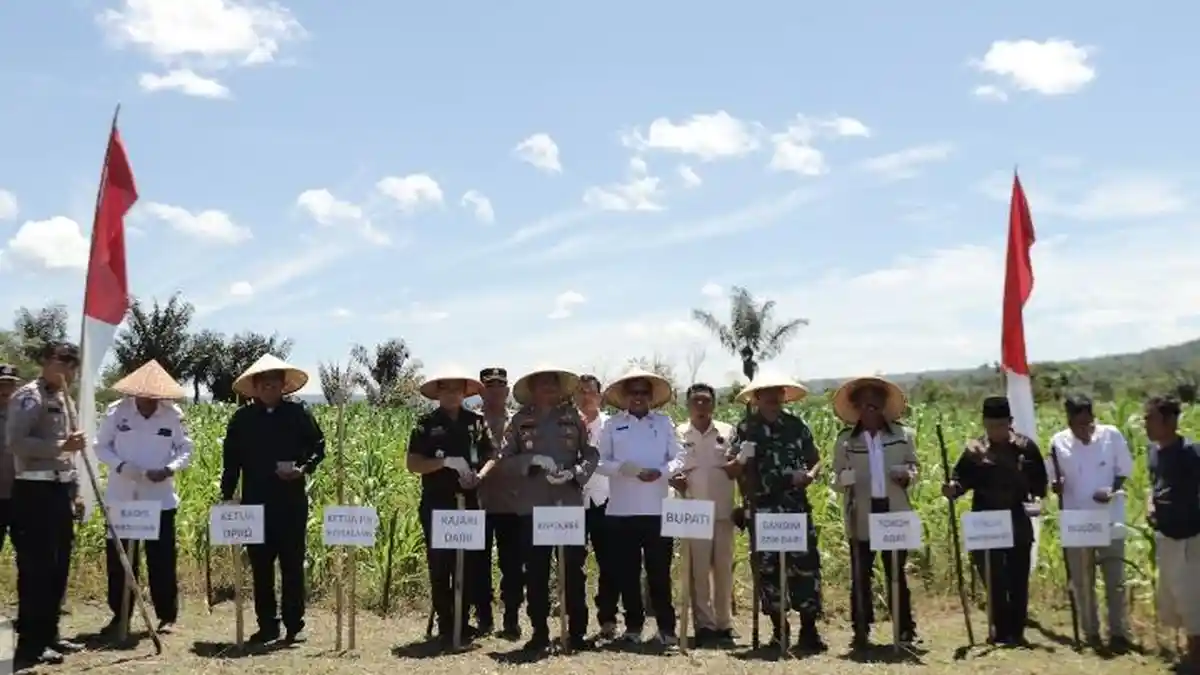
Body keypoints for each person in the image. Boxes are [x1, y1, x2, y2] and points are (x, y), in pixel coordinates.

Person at [479, 367, 597, 652]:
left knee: (573, 569)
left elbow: (591, 455)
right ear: (532, 389)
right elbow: (503, 459)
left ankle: (576, 632)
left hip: (568, 504)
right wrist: (530, 461)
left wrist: (576, 473)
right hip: (533, 506)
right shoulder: (520, 421)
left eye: (553, 383)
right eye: (543, 383)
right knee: (536, 571)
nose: (549, 388)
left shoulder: (574, 419)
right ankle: (540, 631)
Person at [219, 354, 325, 644]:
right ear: (255, 387)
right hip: (255, 501)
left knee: (292, 564)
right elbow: (230, 462)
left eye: (274, 383)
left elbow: (318, 445)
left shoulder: (298, 415)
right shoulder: (242, 420)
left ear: (283, 386)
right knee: (261, 567)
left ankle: (293, 624)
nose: (269, 388)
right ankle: (267, 624)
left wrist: (304, 469)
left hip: (291, 501)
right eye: (263, 384)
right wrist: (227, 496)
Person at [94, 359, 193, 636]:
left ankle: (167, 616)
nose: (148, 397)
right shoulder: (117, 413)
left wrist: (169, 469)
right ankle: (120, 615)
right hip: (122, 497)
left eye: (154, 392)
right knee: (120, 560)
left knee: (161, 559)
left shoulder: (172, 415)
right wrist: (122, 467)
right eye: (143, 391)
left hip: (159, 499)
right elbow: (100, 447)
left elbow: (185, 449)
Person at [942, 395, 1047, 647]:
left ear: (1010, 423)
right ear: (984, 424)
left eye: (1000, 426)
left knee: (1017, 577)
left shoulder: (1026, 448)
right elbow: (960, 481)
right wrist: (952, 489)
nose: (995, 431)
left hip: (1017, 519)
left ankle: (1016, 631)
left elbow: (1040, 484)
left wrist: (1038, 500)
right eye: (990, 426)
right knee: (994, 578)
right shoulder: (974, 450)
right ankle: (1000, 629)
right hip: (985, 522)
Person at [730, 373, 825, 651]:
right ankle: (778, 630)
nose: (772, 398)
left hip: (795, 508)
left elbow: (815, 459)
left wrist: (809, 475)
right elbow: (734, 469)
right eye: (766, 393)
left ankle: (809, 630)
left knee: (805, 568)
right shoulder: (746, 429)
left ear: (784, 395)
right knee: (768, 570)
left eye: (777, 393)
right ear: (756, 398)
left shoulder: (797, 426)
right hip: (763, 509)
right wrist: (741, 460)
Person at [6, 342, 86, 667]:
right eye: (63, 361)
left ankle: (50, 633)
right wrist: (59, 445)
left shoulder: (66, 400)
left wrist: (76, 490)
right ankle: (30, 644)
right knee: (36, 570)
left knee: (58, 568)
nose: (68, 369)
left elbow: (72, 452)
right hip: (34, 492)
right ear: (46, 362)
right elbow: (16, 442)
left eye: (73, 364)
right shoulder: (29, 396)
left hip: (60, 491)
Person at [595, 368, 684, 647]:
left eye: (643, 392)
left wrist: (661, 471)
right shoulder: (612, 426)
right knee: (627, 573)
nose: (638, 397)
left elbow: (679, 457)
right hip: (621, 510)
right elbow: (598, 461)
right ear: (625, 396)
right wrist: (623, 469)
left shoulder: (664, 423)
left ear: (650, 396)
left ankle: (667, 628)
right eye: (633, 392)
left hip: (657, 508)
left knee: (659, 572)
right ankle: (633, 626)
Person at [406, 368, 494, 648]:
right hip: (438, 503)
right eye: (447, 389)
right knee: (441, 564)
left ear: (464, 393)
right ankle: (446, 623)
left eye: (457, 389)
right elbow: (413, 464)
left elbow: (491, 455)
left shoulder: (477, 422)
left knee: (468, 565)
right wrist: (443, 463)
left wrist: (480, 475)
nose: (452, 394)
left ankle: (462, 622)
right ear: (439, 392)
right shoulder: (425, 424)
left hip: (469, 502)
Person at [831, 375, 918, 649]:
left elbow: (915, 468)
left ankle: (904, 630)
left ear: (883, 405)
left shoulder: (904, 436)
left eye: (875, 402)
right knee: (860, 573)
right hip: (861, 512)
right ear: (856, 407)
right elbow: (835, 478)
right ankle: (861, 630)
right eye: (864, 403)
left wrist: (907, 475)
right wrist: (843, 480)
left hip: (894, 511)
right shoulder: (845, 440)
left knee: (896, 572)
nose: (870, 408)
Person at [1046, 393, 1133, 650]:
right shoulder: (1058, 443)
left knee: (1115, 579)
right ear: (1069, 420)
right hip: (1078, 521)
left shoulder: (1111, 436)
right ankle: (1090, 632)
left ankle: (1118, 633)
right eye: (1078, 424)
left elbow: (1123, 471)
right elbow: (1053, 482)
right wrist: (1057, 487)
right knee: (1083, 582)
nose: (1083, 429)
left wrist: (1111, 489)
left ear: (1093, 418)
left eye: (1088, 423)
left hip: (1109, 519)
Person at [672, 382, 737, 647]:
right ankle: (705, 625)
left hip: (723, 510)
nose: (701, 406)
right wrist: (675, 480)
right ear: (687, 404)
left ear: (713, 403)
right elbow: (672, 467)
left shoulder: (727, 431)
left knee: (723, 570)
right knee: (697, 572)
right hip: (692, 510)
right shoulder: (678, 432)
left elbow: (736, 467)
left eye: (706, 401)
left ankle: (724, 624)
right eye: (696, 401)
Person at [1144, 395, 1199, 673]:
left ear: (1168, 422)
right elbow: (1153, 486)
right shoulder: (1153, 452)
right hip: (1166, 536)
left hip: (1191, 537)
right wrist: (1150, 505)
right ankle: (1187, 655)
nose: (1145, 424)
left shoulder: (1191, 454)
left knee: (1192, 598)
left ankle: (1196, 659)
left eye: (1150, 418)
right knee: (1174, 596)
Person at [476, 366, 521, 638]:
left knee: (513, 567)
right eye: (489, 386)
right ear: (481, 390)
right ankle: (483, 618)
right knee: (478, 565)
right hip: (478, 504)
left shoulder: (518, 422)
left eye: (499, 387)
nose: (495, 391)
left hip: (512, 505)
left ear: (507, 390)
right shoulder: (471, 422)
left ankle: (512, 619)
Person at [575, 374, 619, 639]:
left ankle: (608, 618)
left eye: (590, 392)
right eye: (580, 392)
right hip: (574, 501)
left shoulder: (612, 426)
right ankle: (576, 621)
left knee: (609, 563)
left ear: (599, 396)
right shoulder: (567, 424)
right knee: (573, 563)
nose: (585, 396)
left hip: (606, 499)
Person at [0, 363, 20, 553]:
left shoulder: (25, 416)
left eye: (10, 385)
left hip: (21, 495)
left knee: (26, 553)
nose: (5, 390)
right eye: (1, 384)